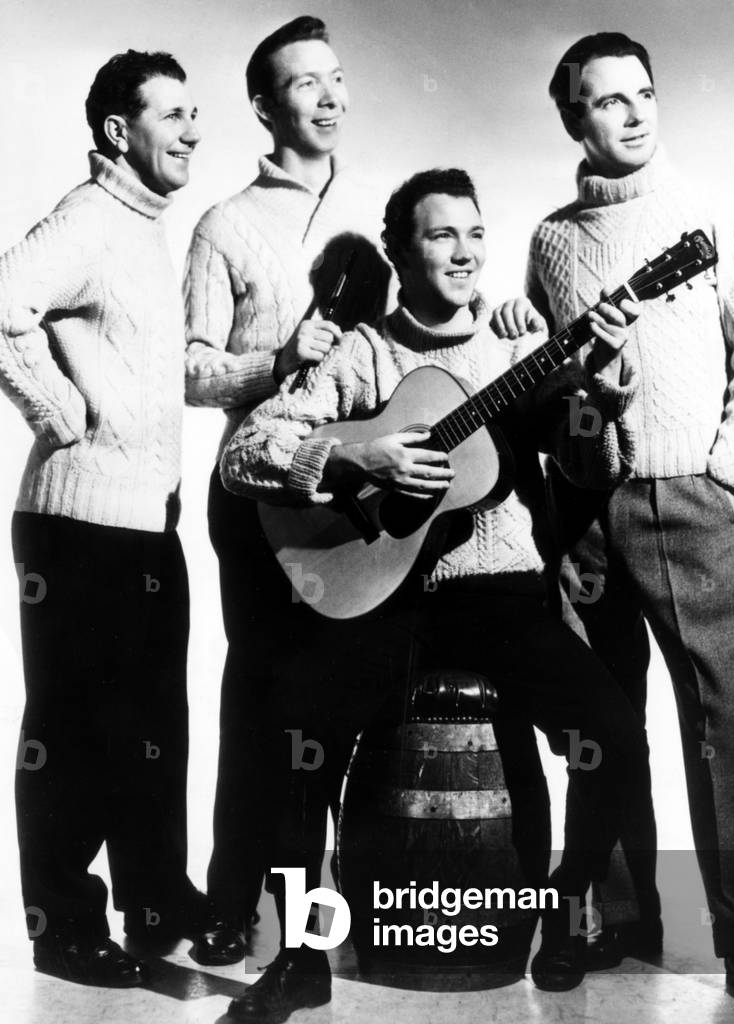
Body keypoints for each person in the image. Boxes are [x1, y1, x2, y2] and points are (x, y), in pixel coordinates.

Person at [217, 168, 648, 1021]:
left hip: (503, 597)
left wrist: (604, 388)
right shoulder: (365, 354)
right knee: (290, 730)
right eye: (440, 235)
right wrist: (352, 459)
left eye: (475, 234)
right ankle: (301, 957)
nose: (464, 252)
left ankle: (564, 913)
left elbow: (593, 467)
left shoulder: (519, 349)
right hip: (389, 600)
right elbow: (246, 455)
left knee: (609, 729)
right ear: (398, 252)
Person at [516, 30, 734, 1014]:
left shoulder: (704, 214)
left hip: (686, 500)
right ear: (570, 117)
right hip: (587, 510)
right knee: (600, 724)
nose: (629, 114)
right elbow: (554, 397)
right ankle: (616, 918)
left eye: (640, 95)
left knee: (713, 724)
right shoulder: (550, 239)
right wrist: (579, 384)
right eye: (603, 101)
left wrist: (722, 469)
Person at [183, 15, 390, 966]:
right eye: (306, 83)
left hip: (359, 494)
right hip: (256, 490)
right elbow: (187, 369)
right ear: (265, 107)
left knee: (345, 698)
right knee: (261, 700)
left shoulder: (382, 211)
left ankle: (335, 915)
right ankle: (235, 908)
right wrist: (270, 363)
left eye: (336, 77)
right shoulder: (226, 223)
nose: (330, 96)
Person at [0, 49, 203, 986]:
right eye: (172, 115)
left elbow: (171, 377)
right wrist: (57, 410)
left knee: (151, 721)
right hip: (77, 526)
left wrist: (268, 369)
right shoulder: (90, 217)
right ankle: (65, 928)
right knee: (75, 732)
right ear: (119, 133)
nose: (193, 131)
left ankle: (156, 898)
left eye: (194, 114)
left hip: (142, 528)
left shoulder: (143, 231)